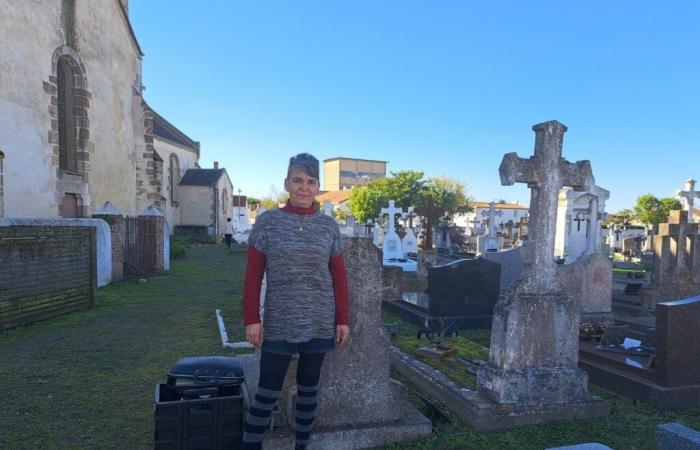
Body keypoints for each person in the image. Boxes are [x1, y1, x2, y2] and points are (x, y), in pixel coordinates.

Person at [241, 153, 350, 450]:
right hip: (280, 318)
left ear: (318, 187)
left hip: (319, 317)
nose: (304, 187)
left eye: (311, 181)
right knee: (268, 390)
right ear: (287, 183)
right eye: (298, 180)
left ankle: (302, 446)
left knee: (308, 389)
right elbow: (253, 274)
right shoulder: (268, 223)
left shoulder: (328, 227)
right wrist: (252, 318)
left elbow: (338, 276)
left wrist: (342, 319)